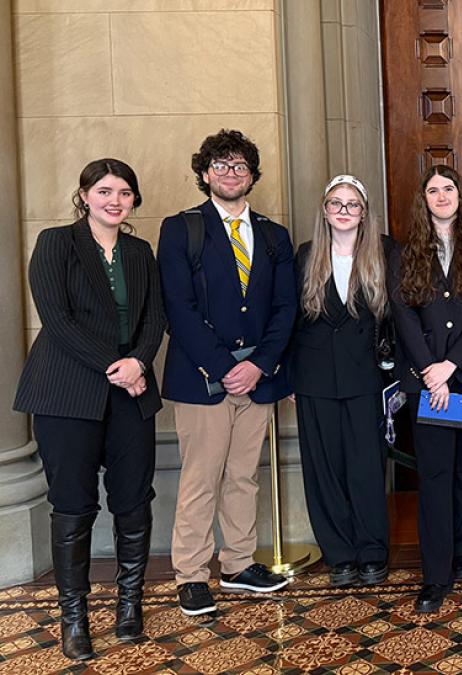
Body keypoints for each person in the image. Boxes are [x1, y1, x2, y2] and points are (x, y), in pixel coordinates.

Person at [13, 159, 165, 660]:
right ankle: (73, 618)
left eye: (124, 192)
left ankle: (129, 607)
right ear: (84, 195)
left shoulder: (141, 252)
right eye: (104, 191)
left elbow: (155, 317)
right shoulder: (56, 243)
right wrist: (117, 365)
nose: (115, 200)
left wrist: (138, 362)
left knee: (134, 501)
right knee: (74, 505)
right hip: (67, 394)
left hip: (132, 393)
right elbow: (55, 319)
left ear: (134, 200)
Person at [158, 129, 296, 616]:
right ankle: (191, 575)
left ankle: (237, 563)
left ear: (252, 176)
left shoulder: (275, 236)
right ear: (204, 174)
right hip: (202, 380)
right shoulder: (182, 228)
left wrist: (258, 366)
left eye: (239, 166)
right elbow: (179, 306)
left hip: (258, 379)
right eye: (220, 166)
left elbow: (286, 308)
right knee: (201, 478)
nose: (230, 174)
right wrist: (223, 366)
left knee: (243, 477)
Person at [390, 165, 462, 613]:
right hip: (430, 386)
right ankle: (435, 577)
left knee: (461, 471)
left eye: (449, 188)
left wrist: (451, 365)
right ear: (424, 199)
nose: (442, 195)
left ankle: (459, 554)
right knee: (436, 475)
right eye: (433, 190)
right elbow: (404, 317)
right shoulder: (405, 253)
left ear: (461, 195)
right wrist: (431, 372)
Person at [292, 175, 394, 587]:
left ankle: (372, 550)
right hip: (315, 377)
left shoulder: (385, 253)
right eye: (337, 203)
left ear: (364, 212)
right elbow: (291, 321)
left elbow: (396, 316)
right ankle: (339, 553)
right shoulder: (304, 256)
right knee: (325, 470)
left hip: (367, 376)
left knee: (366, 467)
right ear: (325, 209)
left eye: (353, 204)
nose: (344, 211)